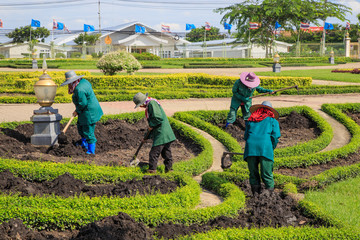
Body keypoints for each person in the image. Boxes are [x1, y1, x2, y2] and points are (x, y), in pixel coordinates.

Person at [60, 70, 103, 155]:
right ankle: (84, 143)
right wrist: (78, 111)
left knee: (88, 130)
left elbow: (83, 103)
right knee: (80, 126)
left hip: (89, 112)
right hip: (86, 110)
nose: (68, 85)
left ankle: (91, 151)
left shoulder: (79, 89)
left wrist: (77, 111)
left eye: (69, 83)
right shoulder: (83, 81)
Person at [244, 101, 281, 196]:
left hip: (250, 148)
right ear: (270, 111)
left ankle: (255, 193)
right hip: (265, 147)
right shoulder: (273, 121)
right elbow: (275, 136)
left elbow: (246, 136)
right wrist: (271, 148)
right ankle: (268, 192)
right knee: (266, 172)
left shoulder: (251, 119)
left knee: (253, 172)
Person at [133, 92, 176, 173]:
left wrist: (151, 125)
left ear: (142, 103)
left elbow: (157, 118)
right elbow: (152, 124)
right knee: (166, 153)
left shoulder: (152, 103)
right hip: (165, 133)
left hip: (161, 134)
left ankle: (152, 171)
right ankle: (169, 170)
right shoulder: (151, 103)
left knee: (153, 154)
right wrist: (146, 137)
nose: (141, 107)